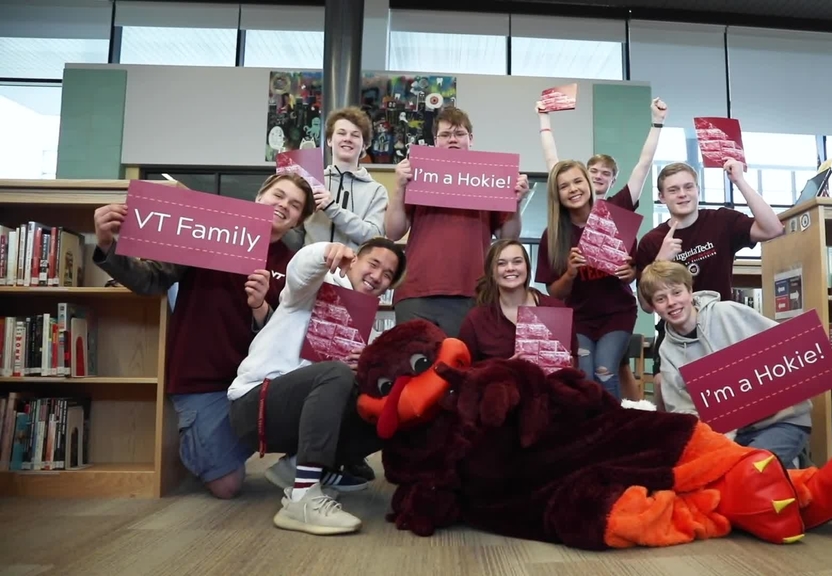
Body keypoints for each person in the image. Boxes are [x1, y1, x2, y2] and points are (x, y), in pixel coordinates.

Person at [92, 173, 315, 498]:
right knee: (228, 486)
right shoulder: (209, 231)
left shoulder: (295, 264)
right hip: (201, 381)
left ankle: (251, 439)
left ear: (298, 221)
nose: (284, 206)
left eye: (295, 206)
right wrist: (107, 245)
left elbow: (289, 337)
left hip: (257, 385)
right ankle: (216, 443)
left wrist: (260, 308)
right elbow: (151, 281)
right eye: (278, 195)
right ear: (259, 196)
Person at [227, 237, 406, 535]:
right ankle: (303, 497)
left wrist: (370, 363)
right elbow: (299, 272)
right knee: (335, 374)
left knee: (384, 407)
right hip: (254, 403)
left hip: (297, 417)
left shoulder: (367, 331)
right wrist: (324, 252)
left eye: (387, 275)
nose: (377, 276)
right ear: (355, 260)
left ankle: (297, 467)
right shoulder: (313, 288)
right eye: (373, 264)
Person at [639, 260, 832, 468]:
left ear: (690, 290)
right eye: (661, 298)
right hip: (728, 434)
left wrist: (828, 359)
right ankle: (785, 468)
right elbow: (683, 409)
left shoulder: (728, 312)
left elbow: (787, 346)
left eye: (677, 292)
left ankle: (789, 465)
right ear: (654, 307)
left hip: (781, 420)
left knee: (750, 473)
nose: (671, 302)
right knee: (718, 478)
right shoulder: (667, 351)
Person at [534, 98, 667, 400]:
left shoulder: (613, 212)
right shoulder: (554, 234)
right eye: (564, 186)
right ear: (557, 194)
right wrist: (569, 273)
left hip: (616, 313)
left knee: (606, 370)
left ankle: (610, 433)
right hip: (578, 317)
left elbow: (643, 166)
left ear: (589, 183)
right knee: (583, 373)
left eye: (578, 181)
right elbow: (554, 293)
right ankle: (587, 432)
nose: (573, 189)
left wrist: (657, 122)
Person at [634, 160, 785, 409]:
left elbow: (773, 229)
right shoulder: (652, 241)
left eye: (688, 187)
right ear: (661, 197)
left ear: (697, 190)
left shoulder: (721, 221)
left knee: (731, 395)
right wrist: (660, 262)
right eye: (673, 190)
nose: (682, 194)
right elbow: (646, 306)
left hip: (722, 327)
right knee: (662, 384)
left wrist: (739, 181)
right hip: (676, 331)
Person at [384, 105, 531, 337]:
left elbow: (508, 238)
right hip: (416, 290)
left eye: (459, 134)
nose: (452, 140)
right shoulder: (418, 173)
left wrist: (516, 202)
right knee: (412, 369)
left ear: (470, 139)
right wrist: (399, 187)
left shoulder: (489, 177)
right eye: (445, 135)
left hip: (471, 292)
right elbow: (392, 232)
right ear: (435, 141)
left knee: (462, 369)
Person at [458, 239, 578, 364]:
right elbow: (465, 373)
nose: (510, 268)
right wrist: (505, 368)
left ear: (527, 267)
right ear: (491, 272)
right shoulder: (476, 320)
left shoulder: (556, 309)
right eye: (501, 264)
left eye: (517, 262)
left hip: (550, 383)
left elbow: (574, 360)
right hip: (501, 383)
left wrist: (567, 363)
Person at [286, 106, 388, 250]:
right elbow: (296, 234)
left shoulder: (376, 191)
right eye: (341, 133)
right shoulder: (309, 180)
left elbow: (374, 237)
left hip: (352, 270)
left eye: (355, 135)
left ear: (364, 145)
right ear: (329, 140)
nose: (347, 139)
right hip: (310, 269)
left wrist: (332, 209)